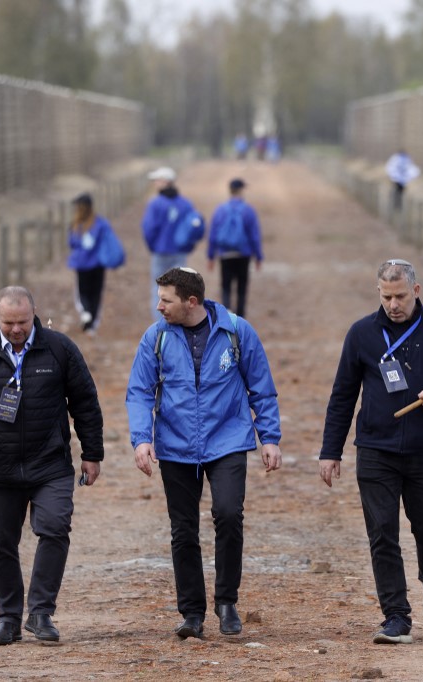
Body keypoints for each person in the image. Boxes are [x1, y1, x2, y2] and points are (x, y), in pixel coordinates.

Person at [318, 259, 423, 645]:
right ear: (379, 294)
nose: (393, 305)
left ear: (416, 291)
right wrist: (330, 450)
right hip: (375, 449)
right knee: (382, 533)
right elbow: (342, 396)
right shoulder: (361, 334)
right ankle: (396, 616)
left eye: (400, 296)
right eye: (386, 297)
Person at [0, 286, 104, 646]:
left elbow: (85, 403)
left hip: (50, 463)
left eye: (23, 322)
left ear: (35, 315)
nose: (16, 329)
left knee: (55, 528)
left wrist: (92, 454)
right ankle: (9, 618)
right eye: (8, 322)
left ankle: (41, 612)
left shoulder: (59, 349)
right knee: (1, 543)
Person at [125, 267, 282, 640]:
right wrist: (141, 439)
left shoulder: (236, 331)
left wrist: (269, 437)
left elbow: (261, 387)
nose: (158, 306)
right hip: (176, 445)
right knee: (183, 530)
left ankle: (226, 601)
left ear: (191, 302)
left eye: (166, 300)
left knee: (229, 515)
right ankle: (192, 613)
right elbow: (140, 391)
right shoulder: (156, 337)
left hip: (227, 440)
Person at [142, 166, 200, 321]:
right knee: (179, 289)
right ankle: (178, 318)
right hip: (179, 252)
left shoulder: (155, 204)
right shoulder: (185, 204)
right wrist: (188, 247)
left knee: (158, 287)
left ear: (166, 182)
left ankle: (160, 322)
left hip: (160, 252)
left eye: (157, 180)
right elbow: (193, 228)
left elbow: (148, 229)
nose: (155, 183)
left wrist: (153, 246)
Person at [207, 178, 264, 318]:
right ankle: (240, 318)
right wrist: (258, 256)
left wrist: (211, 256)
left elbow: (213, 234)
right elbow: (254, 235)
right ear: (241, 190)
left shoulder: (220, 210)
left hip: (225, 253)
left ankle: (226, 316)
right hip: (243, 254)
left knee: (226, 286)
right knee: (242, 287)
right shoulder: (248, 210)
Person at [67, 192, 115, 334]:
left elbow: (71, 243)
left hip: (82, 265)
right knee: (96, 293)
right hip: (98, 264)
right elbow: (108, 240)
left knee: (83, 292)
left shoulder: (75, 225)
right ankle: (92, 323)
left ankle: (86, 312)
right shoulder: (101, 223)